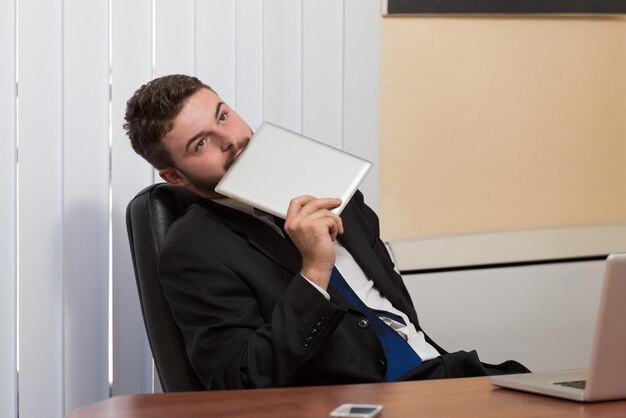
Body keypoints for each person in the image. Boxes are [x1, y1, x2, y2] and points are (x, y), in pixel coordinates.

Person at [124, 74, 528, 390]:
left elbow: (395, 310)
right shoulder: (192, 250)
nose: (231, 139)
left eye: (223, 115)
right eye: (201, 144)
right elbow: (243, 378)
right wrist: (314, 272)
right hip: (359, 401)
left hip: (442, 374)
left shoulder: (327, 182)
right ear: (175, 176)